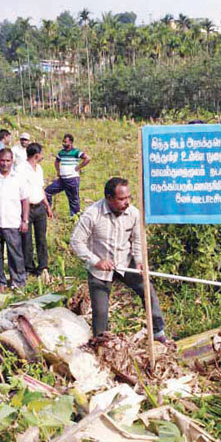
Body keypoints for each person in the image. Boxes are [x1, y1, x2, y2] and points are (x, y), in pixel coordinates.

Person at [70, 177, 167, 341]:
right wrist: (96, 261)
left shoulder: (133, 213)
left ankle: (158, 333)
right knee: (100, 312)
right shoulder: (92, 215)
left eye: (128, 197)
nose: (127, 202)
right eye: (122, 199)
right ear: (109, 198)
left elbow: (137, 239)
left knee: (147, 291)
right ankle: (102, 344)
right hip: (100, 268)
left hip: (125, 262)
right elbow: (76, 241)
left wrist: (139, 260)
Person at [0, 148, 30, 292]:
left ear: (12, 161)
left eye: (8, 160)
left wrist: (25, 220)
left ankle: (18, 282)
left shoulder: (18, 178)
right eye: (2, 160)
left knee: (15, 253)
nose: (5, 163)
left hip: (13, 222)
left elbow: (25, 200)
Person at [19, 142, 53, 279]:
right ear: (37, 155)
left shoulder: (39, 169)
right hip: (26, 208)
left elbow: (40, 189)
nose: (42, 156)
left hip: (39, 207)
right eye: (41, 154)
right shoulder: (21, 168)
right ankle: (28, 267)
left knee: (41, 238)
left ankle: (43, 266)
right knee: (26, 239)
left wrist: (47, 205)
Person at [45, 133, 90, 217]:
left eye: (66, 142)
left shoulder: (76, 152)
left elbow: (87, 158)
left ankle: (75, 217)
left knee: (73, 200)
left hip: (72, 179)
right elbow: (57, 161)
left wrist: (78, 167)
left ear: (71, 142)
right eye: (63, 142)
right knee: (47, 191)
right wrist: (58, 171)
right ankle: (48, 211)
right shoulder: (61, 152)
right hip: (62, 179)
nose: (64, 143)